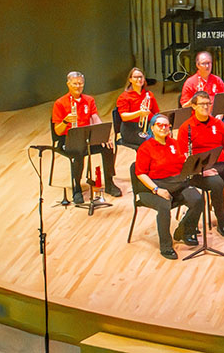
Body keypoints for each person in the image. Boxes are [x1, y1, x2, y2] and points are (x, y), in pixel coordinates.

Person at [177, 91, 224, 238]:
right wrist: (202, 171)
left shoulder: (217, 123)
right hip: (199, 171)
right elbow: (183, 158)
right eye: (202, 104)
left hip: (222, 164)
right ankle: (222, 223)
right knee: (217, 183)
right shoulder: (186, 128)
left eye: (208, 104)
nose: (206, 107)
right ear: (194, 106)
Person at [134, 114, 204, 260]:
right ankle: (166, 246)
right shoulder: (145, 148)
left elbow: (182, 165)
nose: (164, 128)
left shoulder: (175, 143)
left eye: (166, 125)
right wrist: (156, 190)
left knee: (197, 199)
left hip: (176, 184)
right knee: (164, 205)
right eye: (160, 125)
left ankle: (184, 230)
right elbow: (141, 174)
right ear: (152, 127)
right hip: (152, 187)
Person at [51, 71, 119, 202]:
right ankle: (77, 188)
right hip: (69, 139)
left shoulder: (89, 100)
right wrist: (65, 121)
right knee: (78, 153)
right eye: (75, 84)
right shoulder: (60, 103)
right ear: (68, 84)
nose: (78, 86)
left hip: (87, 136)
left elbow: (94, 117)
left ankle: (110, 183)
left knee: (108, 148)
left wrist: (103, 135)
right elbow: (58, 132)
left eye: (81, 84)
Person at [116, 67, 159, 147]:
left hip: (147, 127)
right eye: (135, 77)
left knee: (163, 139)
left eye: (141, 77)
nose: (139, 79)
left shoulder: (149, 95)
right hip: (130, 129)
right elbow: (124, 117)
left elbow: (156, 113)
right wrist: (140, 113)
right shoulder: (124, 97)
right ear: (130, 79)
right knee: (149, 143)